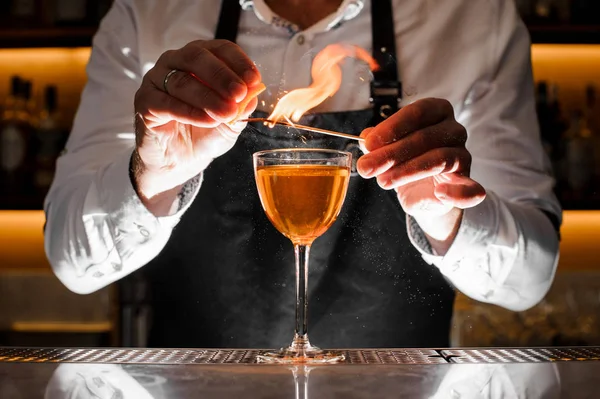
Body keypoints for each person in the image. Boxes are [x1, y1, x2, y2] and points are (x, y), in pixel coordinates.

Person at [44, 0, 561, 348]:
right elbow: (72, 264)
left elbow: (527, 283)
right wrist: (153, 175)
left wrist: (447, 214)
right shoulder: (146, 14)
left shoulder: (473, 17)